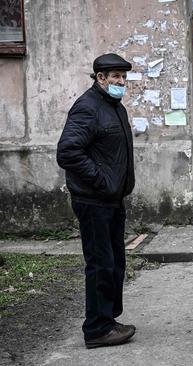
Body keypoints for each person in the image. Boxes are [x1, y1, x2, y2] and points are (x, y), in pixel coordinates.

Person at [56, 53, 136, 349]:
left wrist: (115, 186)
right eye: (115, 76)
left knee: (114, 262)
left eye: (123, 77)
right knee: (101, 264)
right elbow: (67, 152)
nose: (121, 82)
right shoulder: (87, 108)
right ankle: (96, 329)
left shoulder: (114, 107)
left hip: (112, 200)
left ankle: (108, 320)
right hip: (94, 201)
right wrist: (102, 181)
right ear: (100, 78)